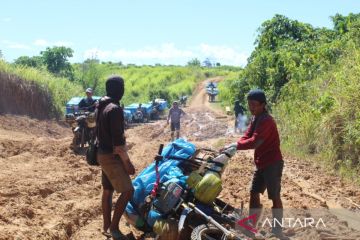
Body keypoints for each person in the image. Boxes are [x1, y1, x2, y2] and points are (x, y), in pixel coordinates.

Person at [223, 89, 285, 238]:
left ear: (263, 105)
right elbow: (248, 135)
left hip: (272, 163)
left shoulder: (267, 121)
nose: (251, 108)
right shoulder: (255, 118)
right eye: (249, 105)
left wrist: (236, 146)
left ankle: (277, 230)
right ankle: (252, 225)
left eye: (254, 105)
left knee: (274, 196)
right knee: (254, 192)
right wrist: (236, 144)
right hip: (261, 162)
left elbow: (255, 141)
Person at [96, 75, 135, 239]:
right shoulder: (115, 109)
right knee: (128, 191)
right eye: (122, 87)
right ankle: (114, 228)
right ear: (119, 90)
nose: (123, 90)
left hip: (101, 154)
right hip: (111, 157)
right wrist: (128, 163)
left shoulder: (100, 106)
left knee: (108, 190)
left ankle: (106, 226)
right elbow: (118, 146)